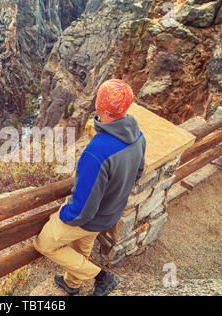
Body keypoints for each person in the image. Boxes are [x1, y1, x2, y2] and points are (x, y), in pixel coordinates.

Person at [33, 79, 146, 296]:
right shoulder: (138, 137)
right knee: (81, 250)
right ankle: (72, 284)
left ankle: (101, 277)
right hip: (110, 213)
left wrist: (65, 213)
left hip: (91, 217)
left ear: (99, 105)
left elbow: (82, 209)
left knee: (44, 243)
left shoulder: (97, 151)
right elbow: (137, 173)